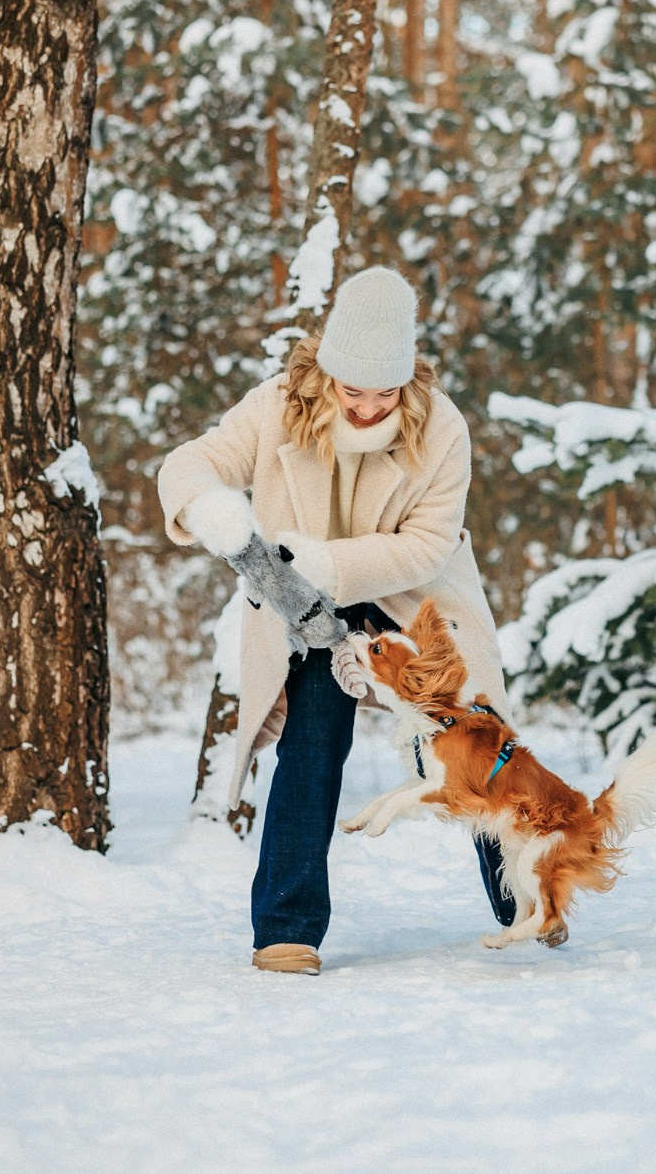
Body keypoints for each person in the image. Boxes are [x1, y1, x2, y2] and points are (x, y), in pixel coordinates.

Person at [159, 267, 517, 973]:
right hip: (307, 603)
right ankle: (286, 929)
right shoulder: (276, 407)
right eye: (354, 391)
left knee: (474, 742)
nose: (367, 407)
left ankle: (527, 898)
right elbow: (192, 460)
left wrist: (330, 561)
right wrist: (209, 507)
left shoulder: (441, 426)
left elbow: (426, 544)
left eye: (385, 393)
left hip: (414, 596)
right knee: (312, 743)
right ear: (327, 371)